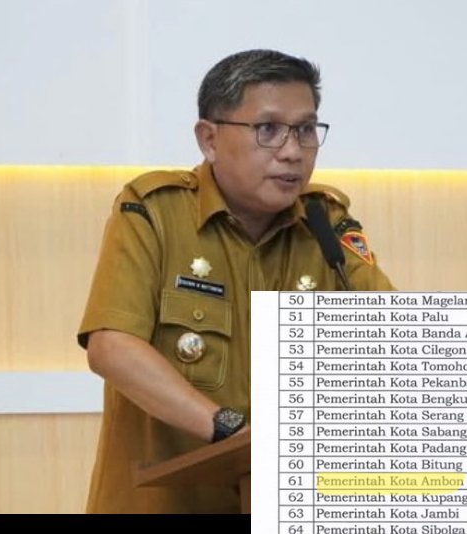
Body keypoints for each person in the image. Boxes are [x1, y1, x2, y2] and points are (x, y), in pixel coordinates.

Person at [78, 49, 395, 514]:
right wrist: (232, 431)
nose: (293, 151)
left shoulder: (325, 224)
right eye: (268, 129)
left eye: (306, 130)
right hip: (164, 504)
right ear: (209, 138)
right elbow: (112, 347)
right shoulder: (154, 212)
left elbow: (393, 337)